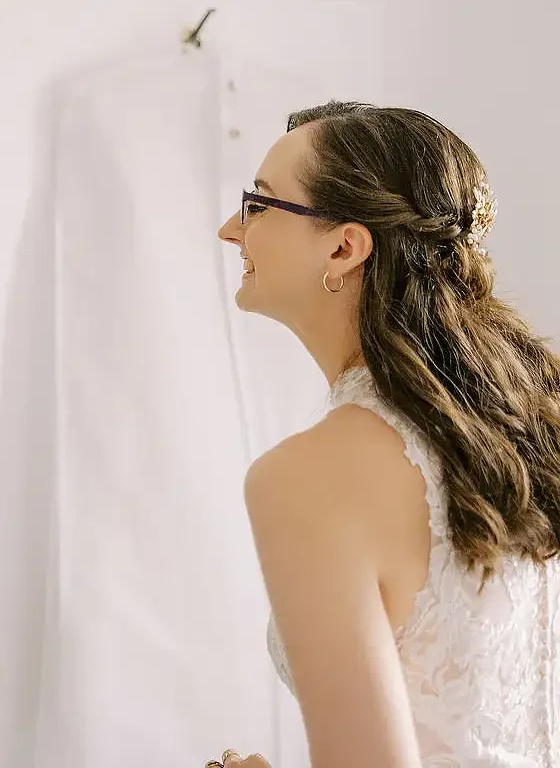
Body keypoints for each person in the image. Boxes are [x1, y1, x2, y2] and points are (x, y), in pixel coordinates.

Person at [211, 101, 560, 767]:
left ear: (344, 246)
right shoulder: (529, 424)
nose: (231, 229)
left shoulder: (307, 475)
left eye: (259, 204)